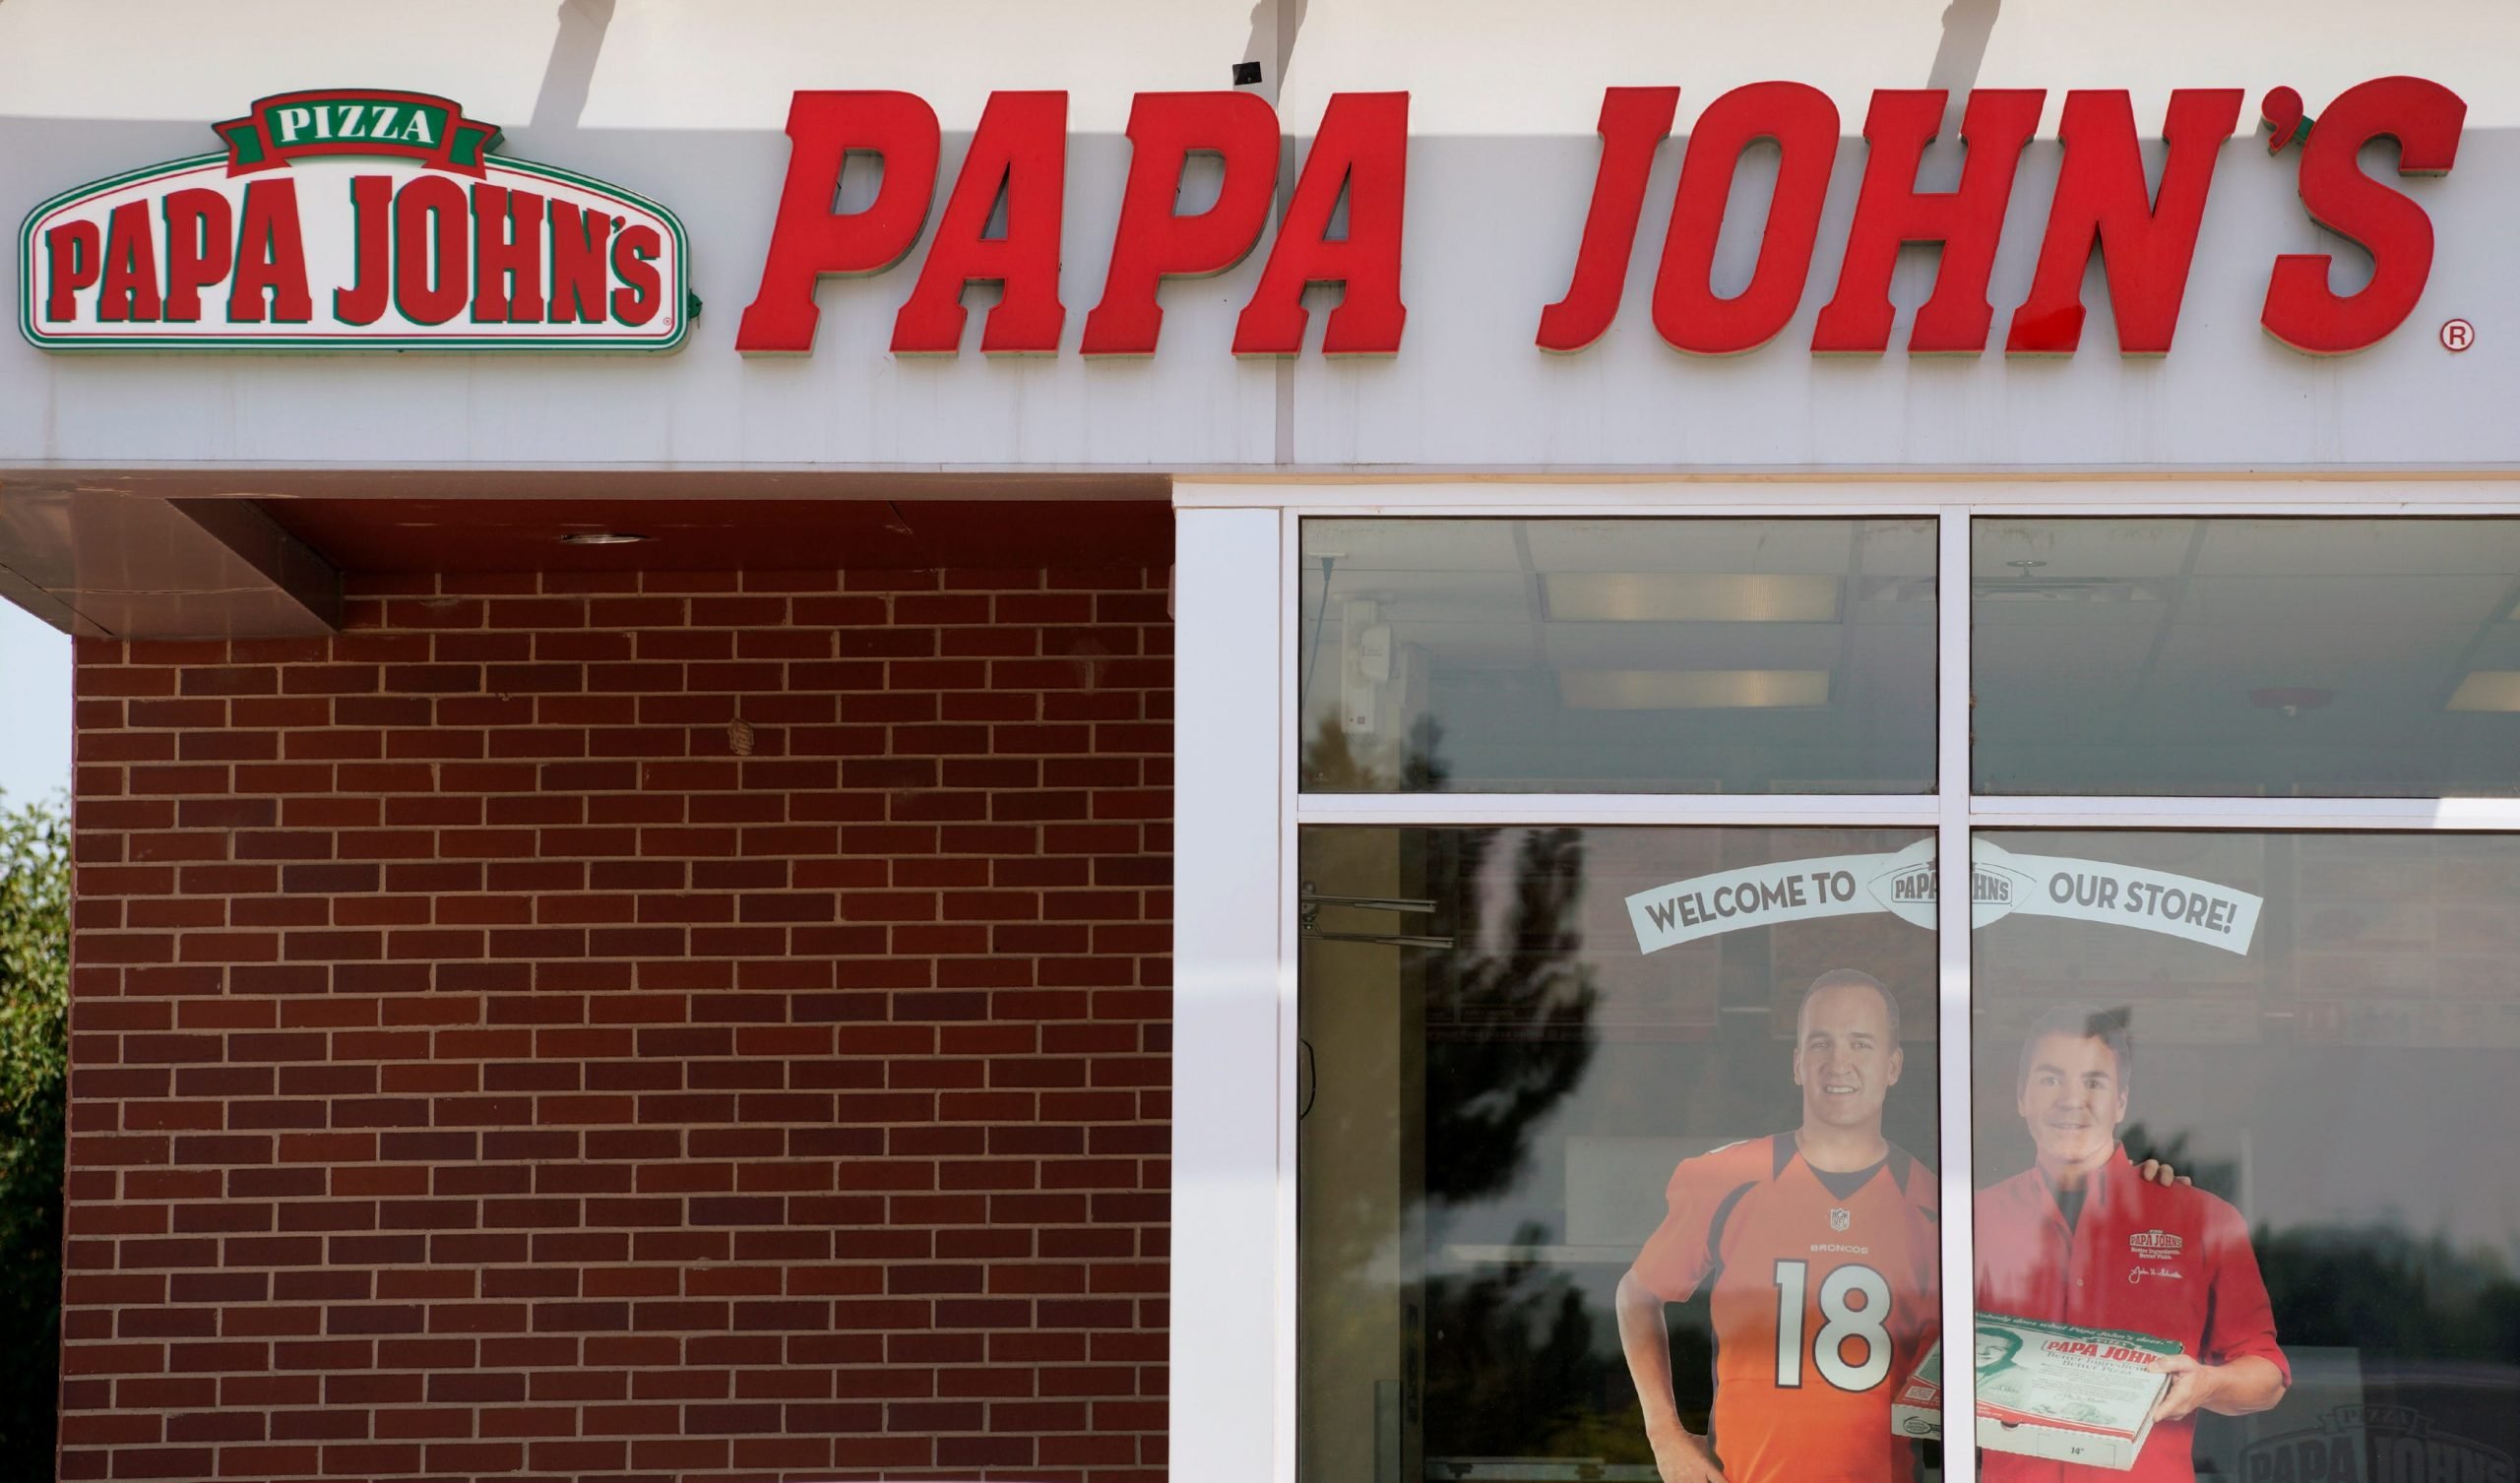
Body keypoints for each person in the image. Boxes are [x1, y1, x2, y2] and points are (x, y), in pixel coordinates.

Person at [1614, 970, 1939, 1483]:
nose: (1840, 1062)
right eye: (1821, 1043)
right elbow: (1637, 1295)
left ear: (1893, 1065)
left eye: (1861, 1043)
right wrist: (1665, 1435)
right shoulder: (1728, 1178)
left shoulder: (1932, 1207)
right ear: (1797, 1063)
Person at [1975, 1007, 2289, 1483]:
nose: (2071, 1100)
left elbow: (2267, 1377)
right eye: (2050, 1079)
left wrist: (2208, 1384)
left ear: (2121, 1102)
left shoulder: (2202, 1220)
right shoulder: (1969, 1221)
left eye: (2094, 1083)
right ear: (2022, 1096)